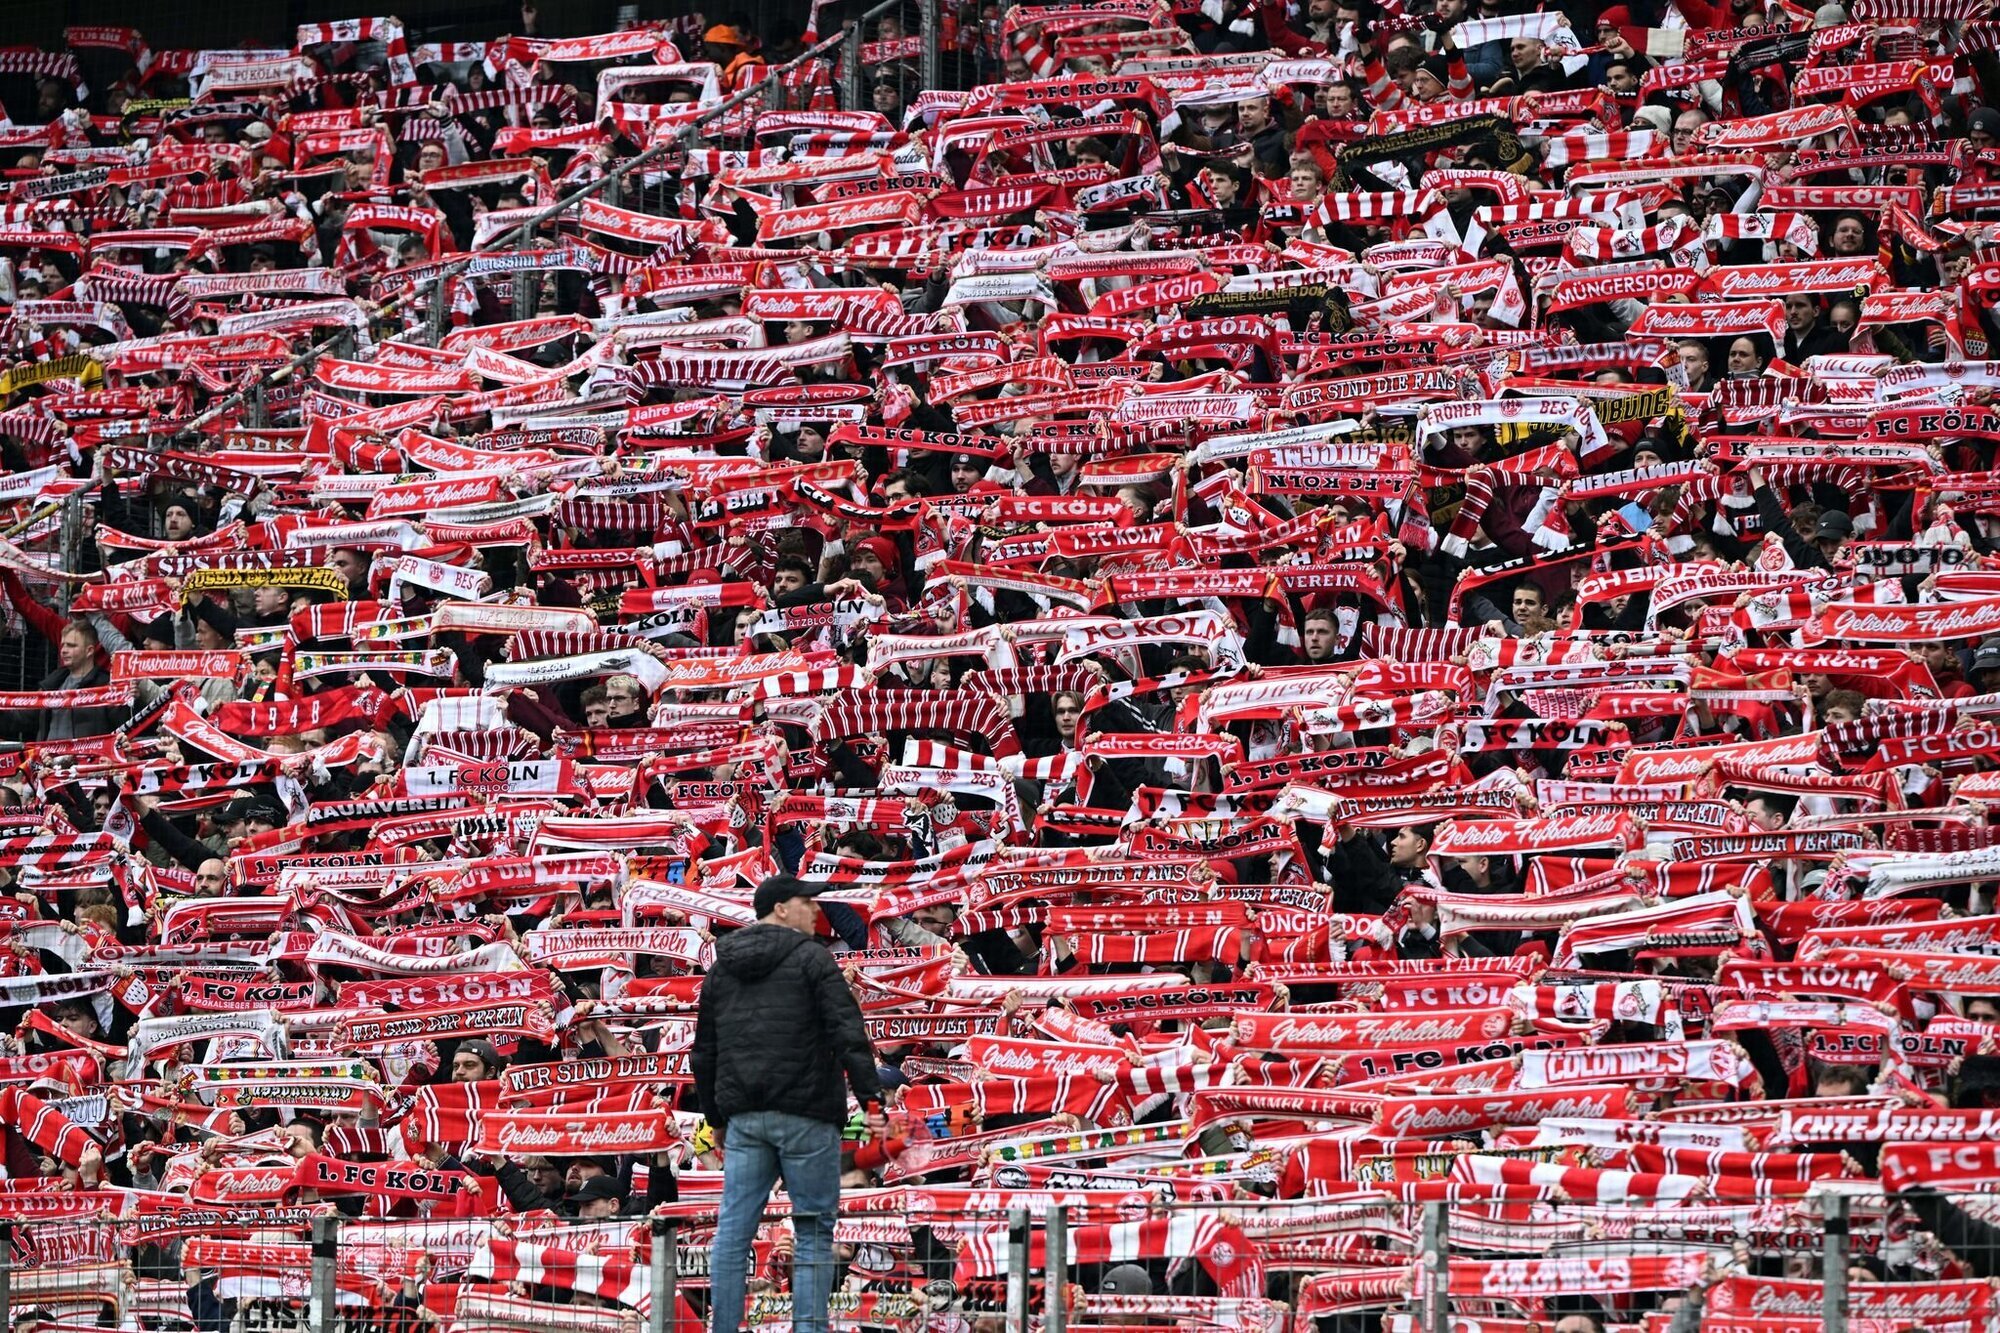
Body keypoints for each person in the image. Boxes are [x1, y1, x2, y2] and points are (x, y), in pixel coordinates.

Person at [694, 874, 888, 1333]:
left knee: (733, 1232)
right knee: (814, 1231)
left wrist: (716, 1118)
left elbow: (704, 1052)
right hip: (808, 1116)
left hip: (745, 1121)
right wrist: (872, 1103)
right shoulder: (812, 958)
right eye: (807, 902)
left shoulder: (722, 969)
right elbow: (848, 1034)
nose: (817, 911)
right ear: (781, 908)